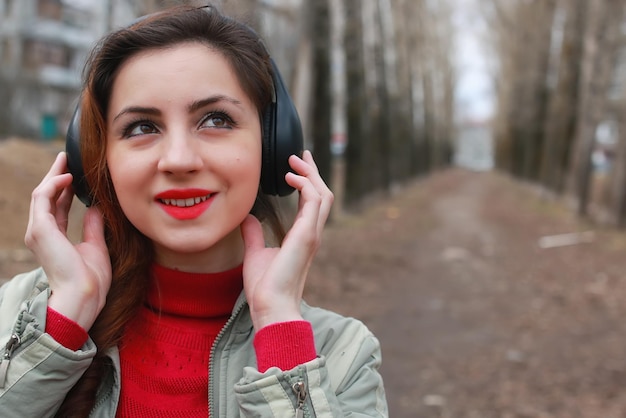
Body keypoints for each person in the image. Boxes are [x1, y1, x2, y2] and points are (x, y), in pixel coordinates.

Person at [0, 4, 387, 418]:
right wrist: (65, 320)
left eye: (215, 119)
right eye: (142, 127)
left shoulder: (343, 357)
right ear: (95, 163)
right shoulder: (19, 315)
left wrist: (279, 332)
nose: (179, 160)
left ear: (274, 144)